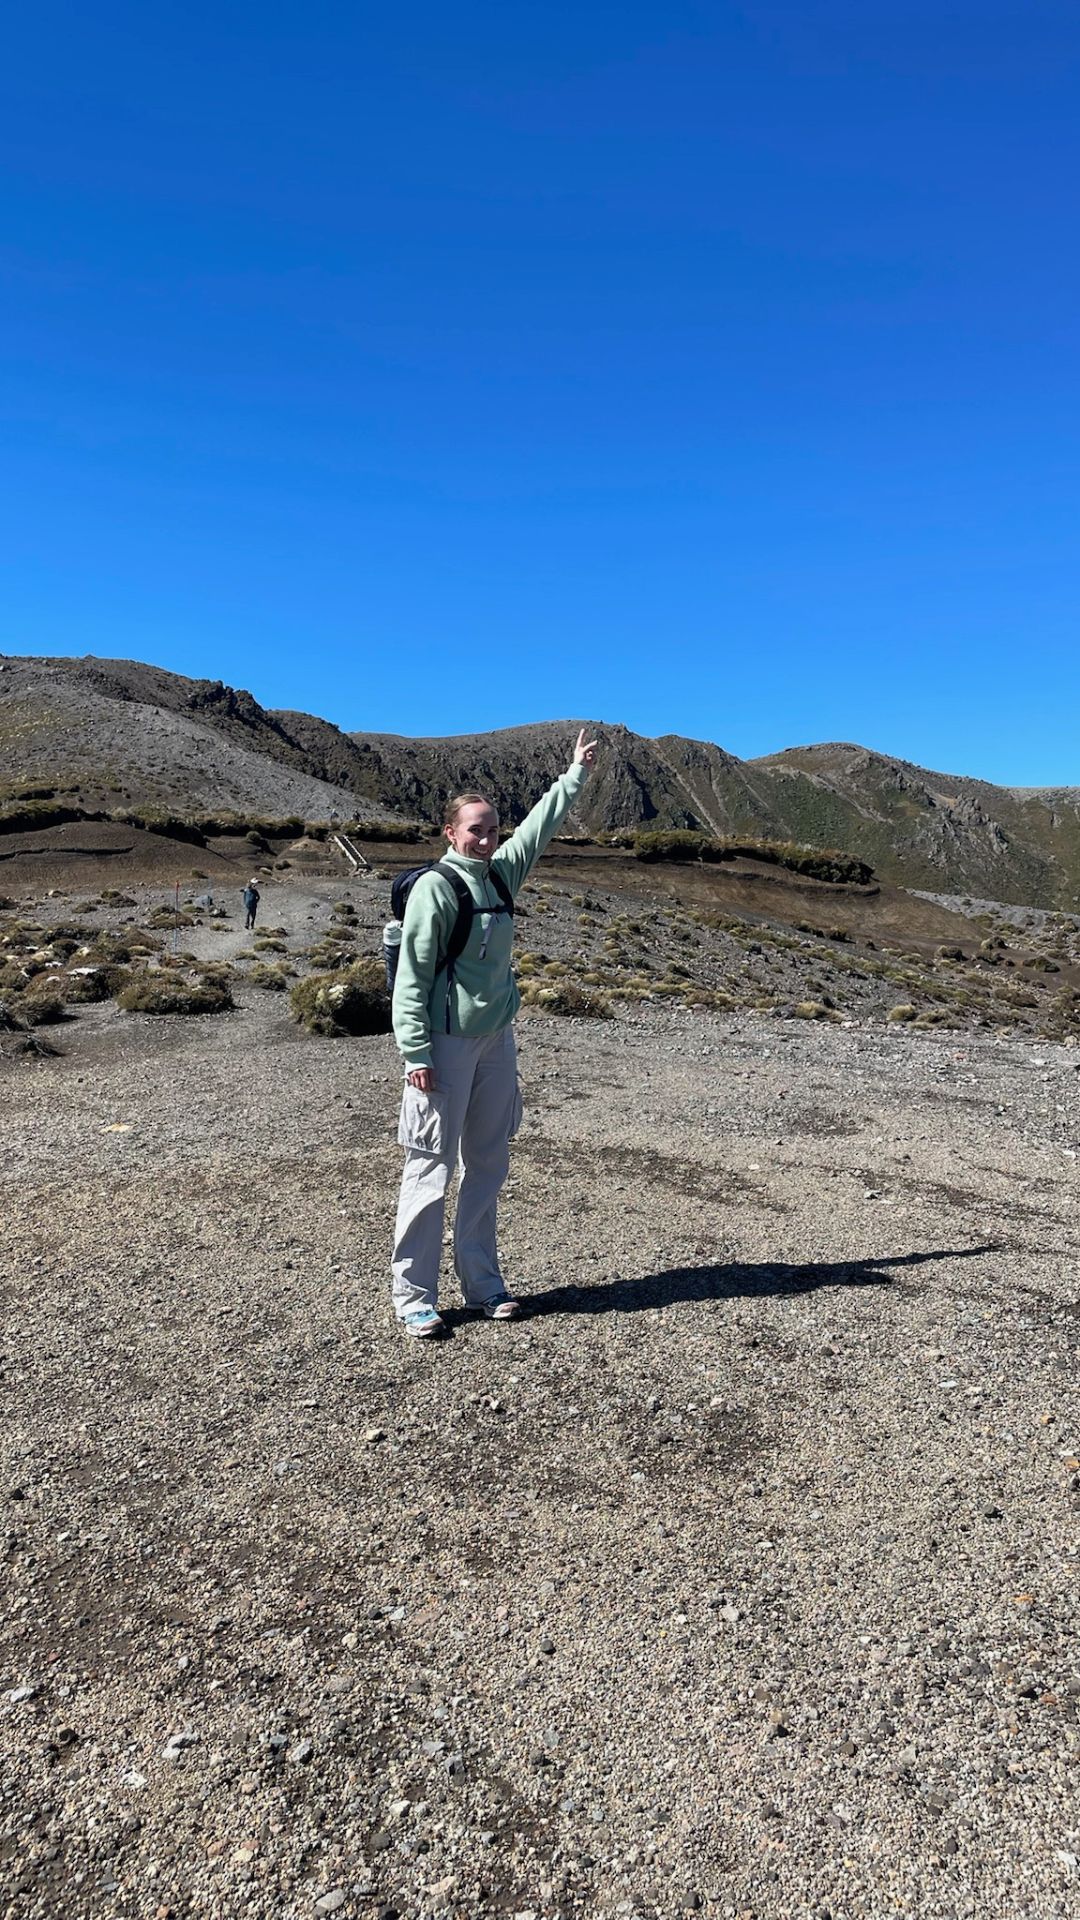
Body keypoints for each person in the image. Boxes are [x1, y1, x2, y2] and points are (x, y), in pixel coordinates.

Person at [390, 728, 598, 1337]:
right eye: (474, 829)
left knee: (488, 1162)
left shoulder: (503, 873)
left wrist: (575, 774)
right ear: (451, 834)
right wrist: (414, 1052)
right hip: (445, 1045)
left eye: (492, 828)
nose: (487, 837)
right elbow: (413, 974)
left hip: (496, 1041)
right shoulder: (437, 887)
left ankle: (483, 1283)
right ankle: (413, 1296)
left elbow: (541, 824)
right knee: (430, 1167)